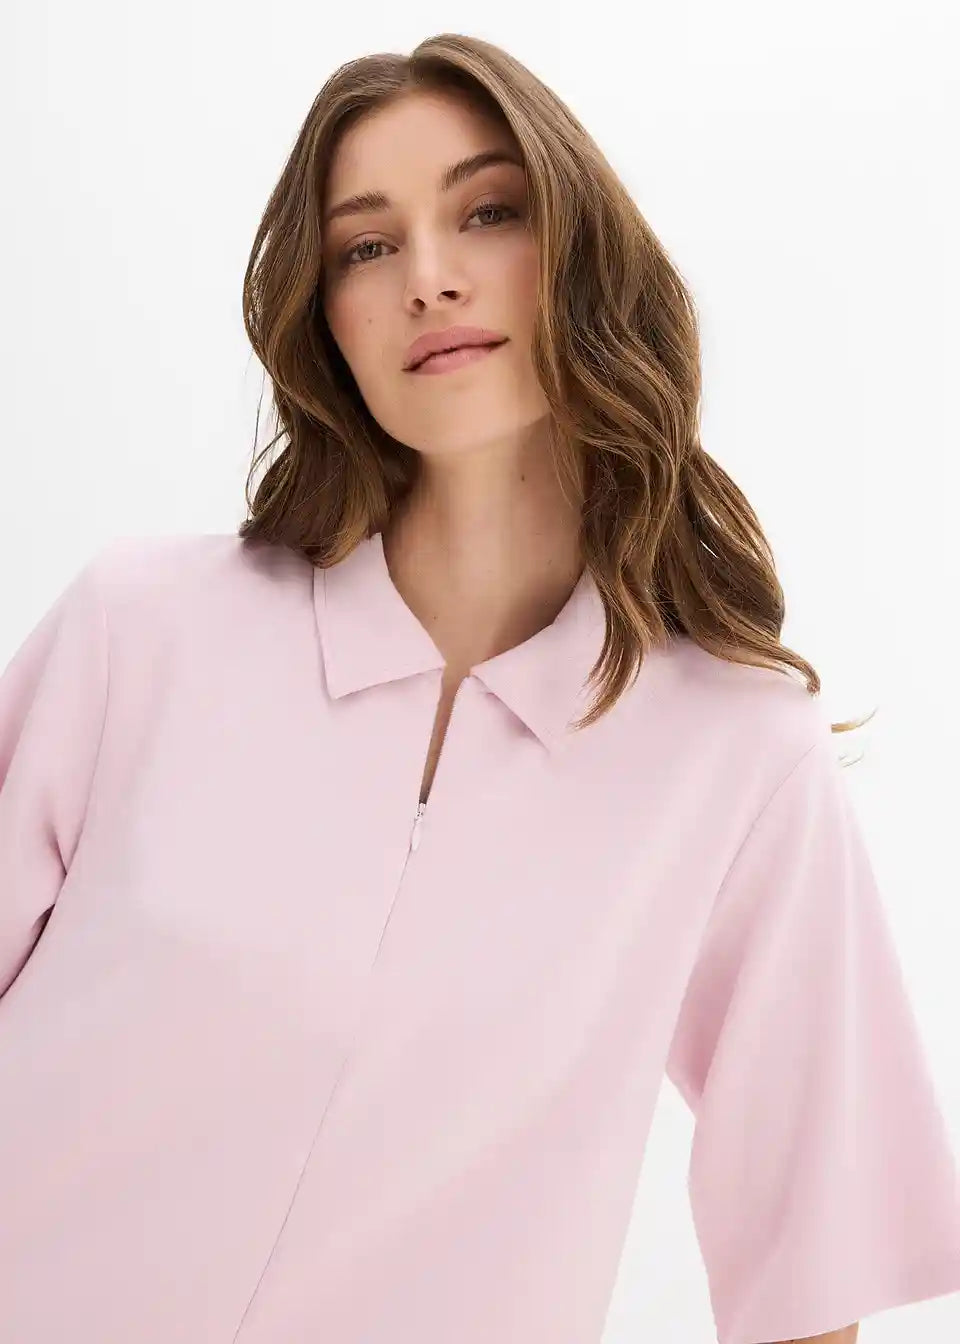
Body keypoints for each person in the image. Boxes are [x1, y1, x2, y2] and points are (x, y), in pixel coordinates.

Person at [1, 30, 958, 1344]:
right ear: (324, 316)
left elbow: (813, 1270)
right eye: (366, 245)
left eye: (489, 212)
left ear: (579, 253)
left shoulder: (737, 755)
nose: (429, 277)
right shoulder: (140, 632)